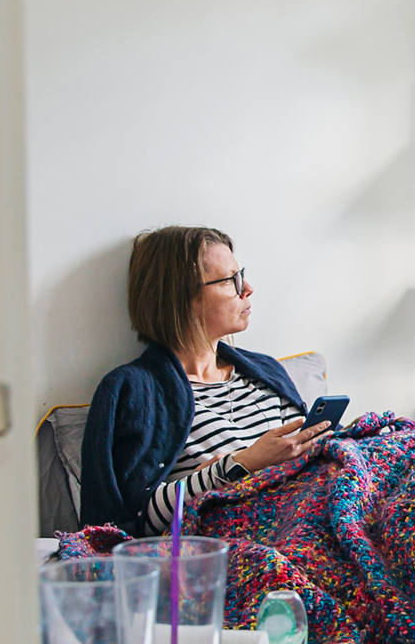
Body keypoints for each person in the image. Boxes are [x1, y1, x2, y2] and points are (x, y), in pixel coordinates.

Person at [80, 225, 331, 534]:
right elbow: (135, 520)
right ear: (183, 297)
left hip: (313, 516)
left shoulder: (265, 370)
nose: (247, 288)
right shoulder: (133, 390)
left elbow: (310, 459)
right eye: (230, 280)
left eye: (242, 275)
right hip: (245, 539)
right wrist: (239, 464)